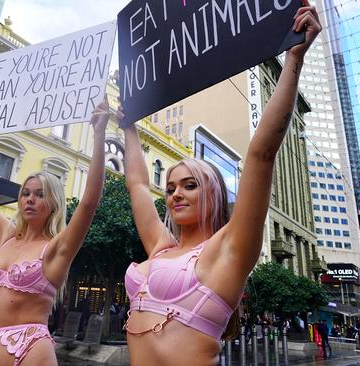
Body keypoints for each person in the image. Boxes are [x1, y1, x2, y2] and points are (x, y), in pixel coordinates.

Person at [119, 2, 322, 364]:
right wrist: (128, 126)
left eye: (189, 185)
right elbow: (135, 183)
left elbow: (262, 153)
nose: (175, 193)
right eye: (169, 188)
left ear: (213, 192)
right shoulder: (160, 248)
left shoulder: (228, 249)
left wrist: (294, 60)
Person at [0, 98, 109, 366]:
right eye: (25, 193)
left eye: (39, 194)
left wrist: (99, 133)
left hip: (31, 351)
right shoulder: (7, 236)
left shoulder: (57, 248)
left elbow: (90, 201)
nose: (29, 200)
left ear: (54, 203)